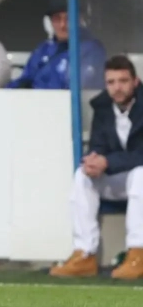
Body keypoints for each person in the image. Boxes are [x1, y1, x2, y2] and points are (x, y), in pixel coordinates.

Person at [50, 55, 143, 280]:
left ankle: (138, 254)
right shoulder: (102, 107)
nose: (117, 88)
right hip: (118, 177)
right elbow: (98, 145)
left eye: (123, 81)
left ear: (135, 81)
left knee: (141, 175)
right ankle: (84, 254)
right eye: (111, 82)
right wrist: (94, 160)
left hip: (137, 177)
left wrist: (107, 162)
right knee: (82, 176)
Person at [6, 0, 106, 90]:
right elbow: (25, 79)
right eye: (57, 18)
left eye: (69, 18)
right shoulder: (43, 49)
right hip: (35, 99)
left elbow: (79, 88)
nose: (62, 25)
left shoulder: (91, 50)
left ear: (80, 19)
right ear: (50, 21)